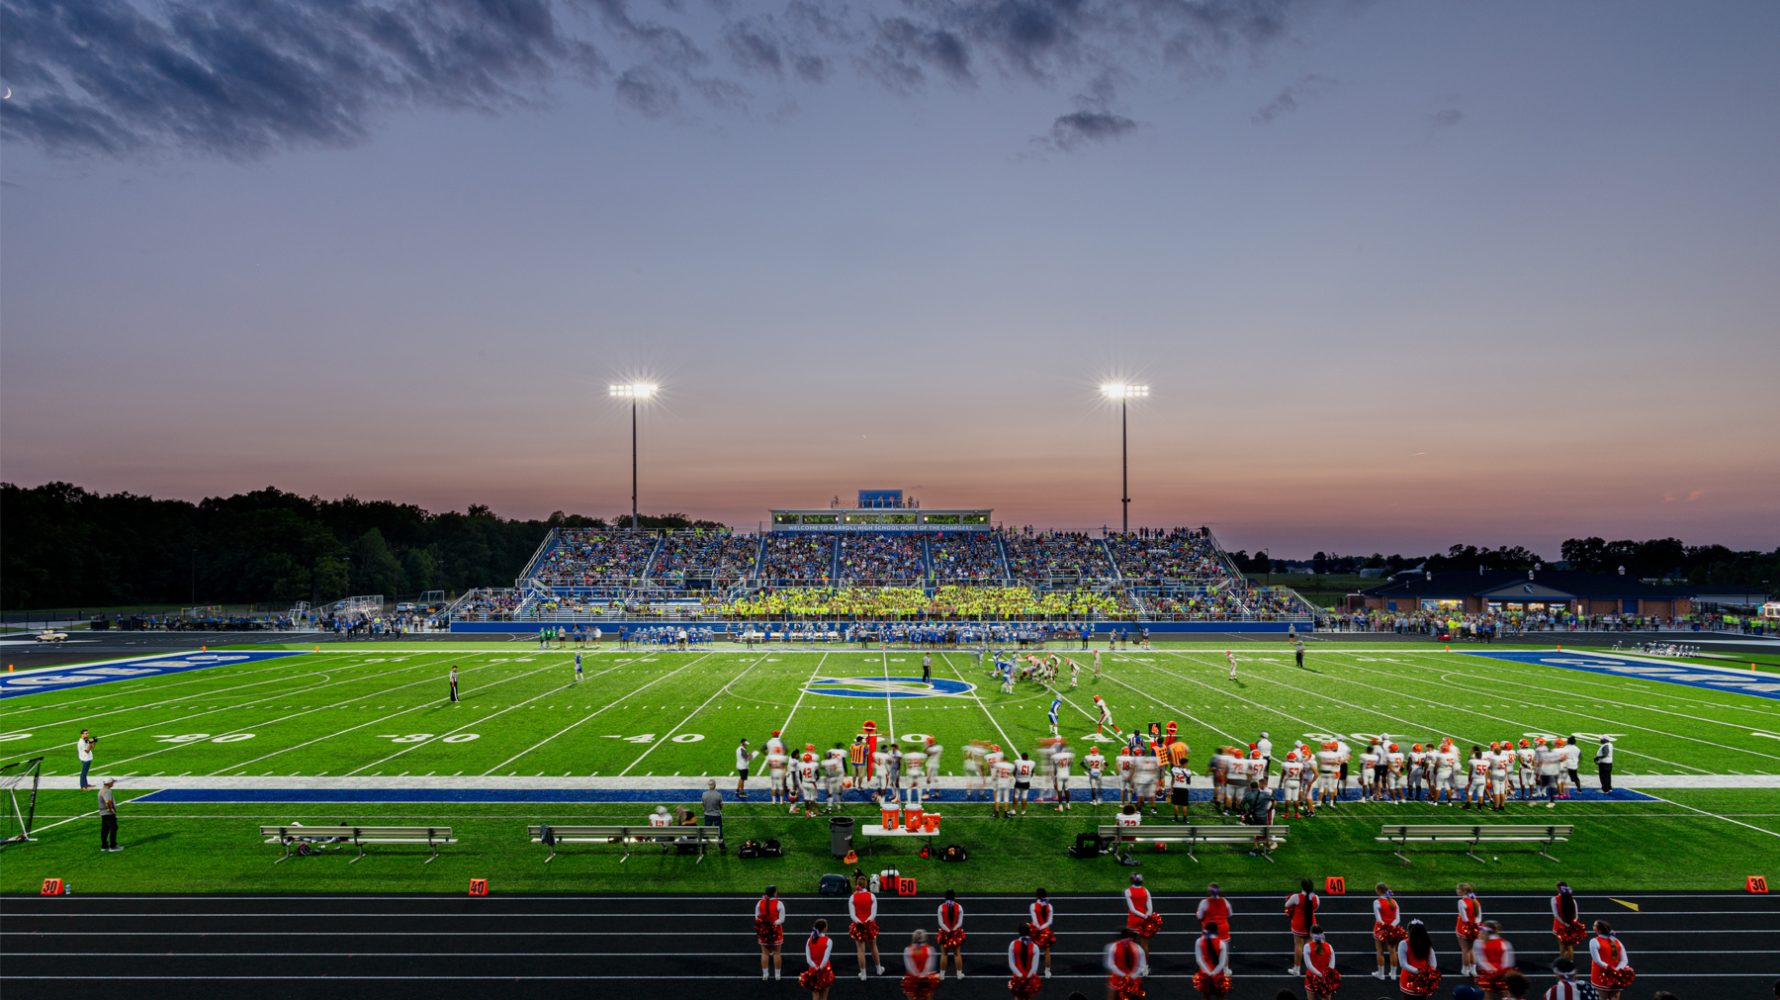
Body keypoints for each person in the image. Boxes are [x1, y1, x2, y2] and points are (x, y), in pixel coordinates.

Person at [1587, 920, 1636, 999]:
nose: (1592, 927)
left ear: (1598, 930)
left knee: (1602, 998)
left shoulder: (1594, 941)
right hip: (1616, 976)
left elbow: (1597, 961)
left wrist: (1610, 970)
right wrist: (1616, 971)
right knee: (1615, 998)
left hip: (1600, 976)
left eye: (1594, 926)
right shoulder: (1617, 941)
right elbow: (1624, 960)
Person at [850, 874, 885, 980]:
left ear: (857, 885)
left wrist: (860, 922)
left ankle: (863, 974)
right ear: (866, 885)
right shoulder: (872, 896)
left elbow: (852, 915)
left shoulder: (852, 897)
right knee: (873, 947)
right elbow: (873, 914)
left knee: (860, 950)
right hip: (870, 925)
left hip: (858, 926)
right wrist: (866, 922)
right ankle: (879, 969)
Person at [1473, 921, 1518, 999]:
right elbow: (1509, 962)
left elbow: (1480, 960)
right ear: (1497, 931)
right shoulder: (1505, 943)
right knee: (1504, 997)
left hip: (1486, 976)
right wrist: (1499, 972)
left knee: (1485, 996)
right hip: (1502, 975)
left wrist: (1491, 971)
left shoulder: (1478, 943)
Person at [1397, 919, 1441, 998]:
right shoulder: (1427, 944)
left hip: (1408, 980)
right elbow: (1433, 964)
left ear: (1410, 931)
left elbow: (1403, 964)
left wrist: (1418, 972)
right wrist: (1425, 973)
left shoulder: (1404, 944)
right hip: (1424, 979)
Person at [1284, 878, 1318, 975]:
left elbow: (1286, 905)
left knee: (1298, 946)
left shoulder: (1296, 897)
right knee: (1311, 947)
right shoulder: (1315, 897)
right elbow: (1315, 908)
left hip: (1299, 924)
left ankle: (1296, 969)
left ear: (1302, 886)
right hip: (1311, 924)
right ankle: (1313, 969)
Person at [1122, 873, 1161, 955]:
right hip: (1144, 921)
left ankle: (1132, 964)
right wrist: (1146, 916)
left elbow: (1132, 910)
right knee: (1145, 945)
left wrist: (1143, 916)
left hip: (1133, 920)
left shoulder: (1128, 891)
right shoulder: (1146, 891)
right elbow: (1150, 908)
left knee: (1131, 944)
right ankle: (1146, 966)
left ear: (1131, 881)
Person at [1372, 882, 1405, 980]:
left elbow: (1378, 919)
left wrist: (1385, 927)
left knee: (1379, 951)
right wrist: (1391, 927)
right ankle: (1393, 974)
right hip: (1393, 930)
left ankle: (1381, 974)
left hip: (1380, 929)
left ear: (1379, 891)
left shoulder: (1377, 902)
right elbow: (1397, 919)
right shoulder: (1394, 902)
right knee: (1393, 952)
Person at [1104, 928, 1147, 1000]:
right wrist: (1132, 976)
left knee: (1111, 993)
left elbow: (1110, 965)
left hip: (1118, 980)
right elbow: (1142, 967)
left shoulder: (1112, 947)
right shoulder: (1138, 948)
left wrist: (1124, 975)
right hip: (1133, 980)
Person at [1193, 924, 1232, 999]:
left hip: (1204, 974)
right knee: (1221, 996)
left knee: (1206, 996)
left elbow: (1199, 959)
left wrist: (1208, 973)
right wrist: (1213, 973)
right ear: (1216, 930)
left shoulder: (1198, 941)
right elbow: (1222, 963)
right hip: (1218, 975)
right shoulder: (1222, 944)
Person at [756, 885, 786, 981]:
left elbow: (757, 918)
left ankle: (765, 974)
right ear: (774, 893)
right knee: (777, 953)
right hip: (775, 930)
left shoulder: (759, 902)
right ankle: (777, 975)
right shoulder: (779, 903)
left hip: (763, 930)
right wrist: (773, 924)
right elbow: (782, 919)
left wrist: (765, 925)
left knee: (765, 953)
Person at [1301, 924, 1340, 999]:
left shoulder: (1307, 947)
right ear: (1323, 933)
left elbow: (1308, 965)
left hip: (1312, 978)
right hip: (1326, 978)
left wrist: (1319, 975)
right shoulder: (1329, 946)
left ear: (1311, 934)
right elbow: (1332, 966)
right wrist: (1325, 975)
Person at [1550, 882, 1586, 962]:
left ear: (1558, 889)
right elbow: (1576, 915)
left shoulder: (1554, 899)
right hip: (1571, 926)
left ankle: (1562, 963)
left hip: (1559, 926)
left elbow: (1556, 915)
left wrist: (1564, 924)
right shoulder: (1572, 899)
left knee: (1562, 946)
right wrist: (1571, 924)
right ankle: (1570, 962)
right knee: (1569, 946)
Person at [800, 920, 836, 1000]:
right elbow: (825, 959)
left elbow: (808, 959)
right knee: (824, 996)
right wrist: (820, 968)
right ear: (824, 929)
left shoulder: (809, 940)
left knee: (815, 995)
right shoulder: (828, 941)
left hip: (813, 971)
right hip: (825, 971)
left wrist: (815, 968)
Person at [901, 928, 940, 1000]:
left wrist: (916, 974)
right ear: (925, 938)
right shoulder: (930, 949)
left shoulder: (907, 949)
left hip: (912, 978)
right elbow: (930, 965)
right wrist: (923, 975)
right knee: (927, 996)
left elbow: (909, 966)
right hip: (926, 978)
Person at [936, 889, 966, 980]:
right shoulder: (959, 907)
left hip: (945, 934)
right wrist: (953, 930)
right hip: (955, 934)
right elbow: (960, 923)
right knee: (957, 954)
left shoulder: (941, 907)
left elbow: (940, 923)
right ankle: (959, 974)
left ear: (945, 897)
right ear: (954, 897)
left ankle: (942, 975)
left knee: (944, 954)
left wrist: (948, 931)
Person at [1007, 924, 1043, 999]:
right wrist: (1027, 977)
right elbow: (1034, 967)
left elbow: (1011, 964)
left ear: (1019, 932)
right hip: (1030, 978)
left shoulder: (1012, 944)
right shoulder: (1035, 947)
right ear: (1029, 932)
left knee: (1016, 997)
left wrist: (1019, 975)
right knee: (1028, 997)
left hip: (1017, 977)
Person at [1454, 883, 1482, 976]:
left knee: (1465, 950)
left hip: (1463, 928)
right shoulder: (1476, 901)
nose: (1456, 891)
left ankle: (1465, 970)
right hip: (1475, 928)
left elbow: (1464, 918)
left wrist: (1469, 927)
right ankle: (1473, 970)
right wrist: (1475, 926)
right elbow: (1479, 917)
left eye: (1458, 889)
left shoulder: (1461, 902)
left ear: (1464, 891)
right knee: (1471, 950)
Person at [1028, 888, 1056, 978]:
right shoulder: (1050, 906)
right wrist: (1043, 928)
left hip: (1035, 931)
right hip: (1046, 932)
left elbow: (1035, 921)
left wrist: (1039, 928)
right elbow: (1050, 921)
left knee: (1031, 952)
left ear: (1036, 896)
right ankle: (1047, 972)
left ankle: (1031, 971)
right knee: (1047, 952)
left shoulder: (1032, 906)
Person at [97, 777, 120, 852]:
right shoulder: (107, 791)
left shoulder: (102, 790)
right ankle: (113, 846)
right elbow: (108, 802)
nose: (113, 783)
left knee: (105, 829)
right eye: (112, 782)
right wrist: (111, 810)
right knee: (113, 828)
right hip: (108, 813)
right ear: (109, 783)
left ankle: (104, 846)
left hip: (103, 812)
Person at [702, 779, 725, 848]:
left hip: (707, 815)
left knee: (706, 831)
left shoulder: (704, 794)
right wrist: (718, 809)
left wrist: (706, 809)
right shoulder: (718, 795)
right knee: (719, 831)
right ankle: (722, 846)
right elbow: (721, 805)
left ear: (709, 785)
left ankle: (703, 846)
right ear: (715, 785)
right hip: (716, 815)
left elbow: (703, 804)